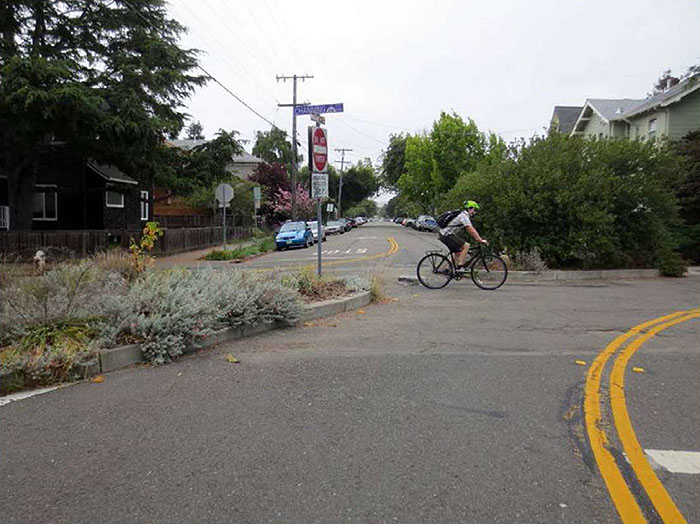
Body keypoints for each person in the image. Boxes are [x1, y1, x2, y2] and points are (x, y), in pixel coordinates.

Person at [438, 200, 488, 268]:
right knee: (466, 246)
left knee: (458, 253)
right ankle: (460, 267)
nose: (475, 212)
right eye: (474, 210)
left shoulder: (462, 215)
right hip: (446, 235)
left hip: (444, 234)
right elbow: (470, 229)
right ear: (470, 208)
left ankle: (448, 269)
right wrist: (480, 240)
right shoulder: (463, 217)